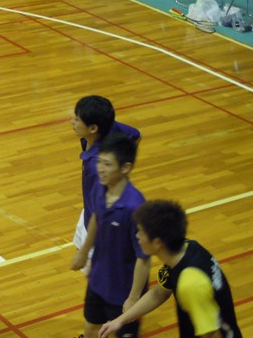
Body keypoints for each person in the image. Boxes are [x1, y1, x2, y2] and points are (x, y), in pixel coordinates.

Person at [99, 200, 242, 338]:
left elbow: (212, 334)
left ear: (157, 242)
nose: (137, 236)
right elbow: (159, 294)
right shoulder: (186, 248)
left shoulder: (190, 283)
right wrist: (121, 320)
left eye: (141, 232)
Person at [70, 133, 150, 338]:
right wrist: (84, 252)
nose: (100, 169)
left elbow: (143, 258)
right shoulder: (100, 188)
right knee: (91, 326)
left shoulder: (134, 208)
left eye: (107, 164)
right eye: (99, 162)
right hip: (99, 279)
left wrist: (133, 299)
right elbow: (96, 217)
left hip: (124, 288)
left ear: (125, 168)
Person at [70, 95, 141, 275]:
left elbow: (100, 215)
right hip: (88, 212)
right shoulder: (110, 128)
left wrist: (85, 251)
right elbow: (136, 135)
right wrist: (123, 168)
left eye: (77, 120)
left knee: (97, 277)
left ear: (93, 128)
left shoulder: (97, 167)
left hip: (99, 229)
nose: (72, 122)